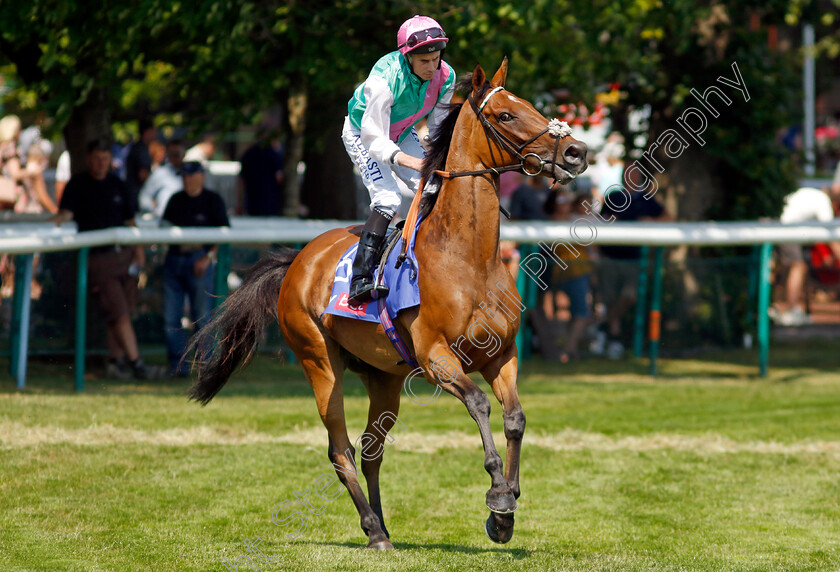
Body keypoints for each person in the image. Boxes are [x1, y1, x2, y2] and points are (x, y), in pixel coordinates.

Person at [342, 14, 456, 305]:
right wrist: (409, 161)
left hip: (401, 131)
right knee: (388, 198)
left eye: (436, 59)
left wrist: (439, 160)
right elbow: (374, 139)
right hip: (364, 133)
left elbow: (438, 128)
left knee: (434, 185)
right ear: (407, 58)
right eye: (424, 62)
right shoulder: (383, 80)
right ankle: (361, 279)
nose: (433, 68)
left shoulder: (447, 76)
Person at [52, 138, 164, 380]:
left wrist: (139, 249)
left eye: (105, 158)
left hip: (123, 255)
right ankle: (137, 364)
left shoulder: (117, 184)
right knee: (120, 312)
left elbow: (129, 221)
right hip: (96, 258)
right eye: (97, 158)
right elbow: (65, 214)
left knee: (121, 312)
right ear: (88, 159)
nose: (102, 163)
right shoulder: (78, 184)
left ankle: (116, 362)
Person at [160, 161, 230, 377]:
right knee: (171, 317)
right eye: (184, 176)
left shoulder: (212, 200)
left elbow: (223, 231)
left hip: (199, 260)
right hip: (174, 260)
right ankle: (178, 366)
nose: (187, 180)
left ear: (201, 176)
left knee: (202, 317)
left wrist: (208, 257)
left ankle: (205, 366)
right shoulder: (176, 200)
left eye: (191, 176)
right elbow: (163, 227)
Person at [593, 182, 669, 359]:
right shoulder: (614, 195)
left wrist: (651, 222)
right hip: (610, 257)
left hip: (633, 259)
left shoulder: (645, 199)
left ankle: (602, 326)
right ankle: (614, 341)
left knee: (630, 296)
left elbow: (667, 217)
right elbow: (601, 219)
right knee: (610, 300)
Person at [772, 185, 840, 326]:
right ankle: (790, 310)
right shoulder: (824, 202)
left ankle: (773, 306)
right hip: (788, 230)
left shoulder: (811, 193)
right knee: (799, 267)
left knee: (781, 268)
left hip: (779, 225)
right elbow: (831, 237)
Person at [236, 138, 284, 216]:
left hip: (252, 201)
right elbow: (279, 177)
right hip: (271, 202)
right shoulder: (274, 155)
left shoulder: (248, 154)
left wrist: (239, 204)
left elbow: (241, 181)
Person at [138, 138, 186, 216]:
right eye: (171, 154)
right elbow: (145, 196)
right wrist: (153, 213)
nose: (174, 157)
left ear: (184, 153)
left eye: (177, 154)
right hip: (165, 220)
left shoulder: (192, 174)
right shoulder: (160, 173)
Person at [124, 118, 155, 200]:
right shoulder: (141, 149)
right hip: (137, 194)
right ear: (146, 132)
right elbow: (143, 174)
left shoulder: (136, 147)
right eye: (152, 131)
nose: (154, 134)